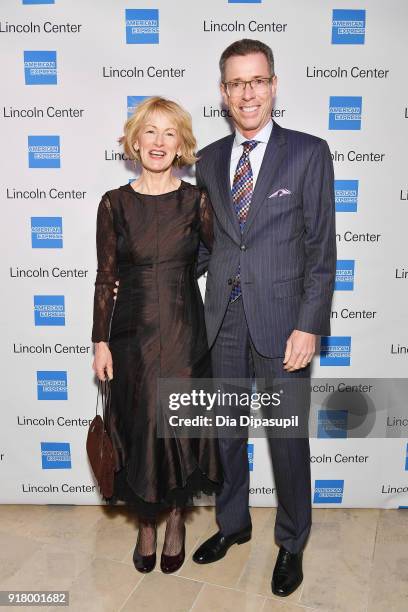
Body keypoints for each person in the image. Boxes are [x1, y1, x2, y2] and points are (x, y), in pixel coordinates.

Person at [192, 39, 336, 597]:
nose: (247, 93)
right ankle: (234, 524)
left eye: (257, 81)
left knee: (286, 440)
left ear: (273, 86)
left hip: (284, 326)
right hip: (221, 323)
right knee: (226, 434)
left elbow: (321, 251)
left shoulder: (308, 153)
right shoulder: (205, 160)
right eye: (235, 84)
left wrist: (309, 324)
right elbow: (203, 248)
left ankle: (293, 541)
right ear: (223, 94)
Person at [91, 96, 222, 575]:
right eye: (150, 132)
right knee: (141, 428)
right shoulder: (114, 204)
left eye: (170, 133)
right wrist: (99, 340)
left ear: (183, 143)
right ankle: (146, 525)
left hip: (187, 333)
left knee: (178, 430)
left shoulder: (196, 201)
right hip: (130, 336)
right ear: (135, 140)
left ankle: (175, 521)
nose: (159, 142)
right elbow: (106, 276)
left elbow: (225, 257)